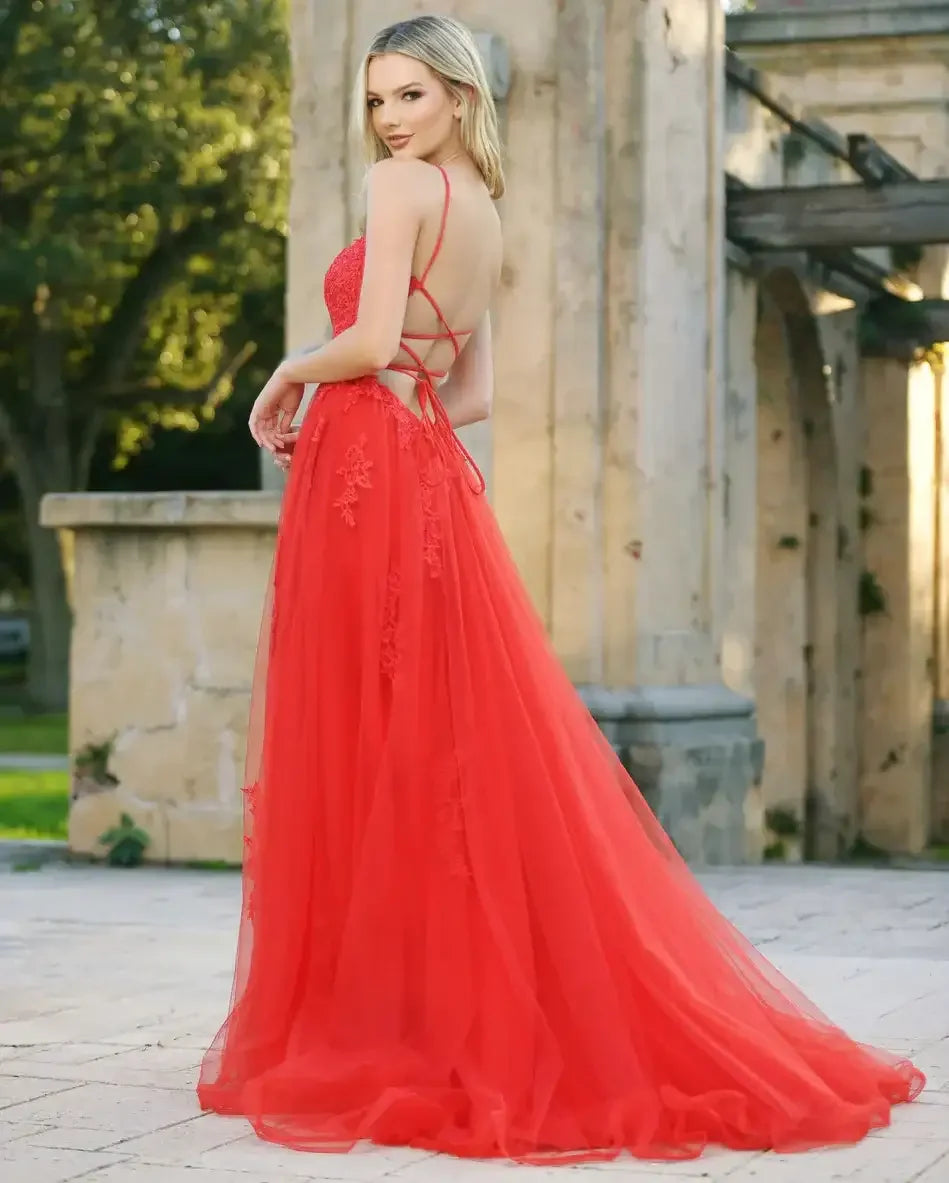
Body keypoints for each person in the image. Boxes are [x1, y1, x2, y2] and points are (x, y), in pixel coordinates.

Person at [197, 13, 924, 1166]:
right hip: (428, 459)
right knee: (430, 733)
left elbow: (371, 333)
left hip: (368, 464)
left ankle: (378, 1017)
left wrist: (287, 372)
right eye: (376, 101)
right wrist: (384, 381)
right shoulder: (483, 213)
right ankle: (428, 1005)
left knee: (362, 724)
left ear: (459, 96)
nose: (388, 121)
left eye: (409, 97)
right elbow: (468, 387)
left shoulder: (400, 192)